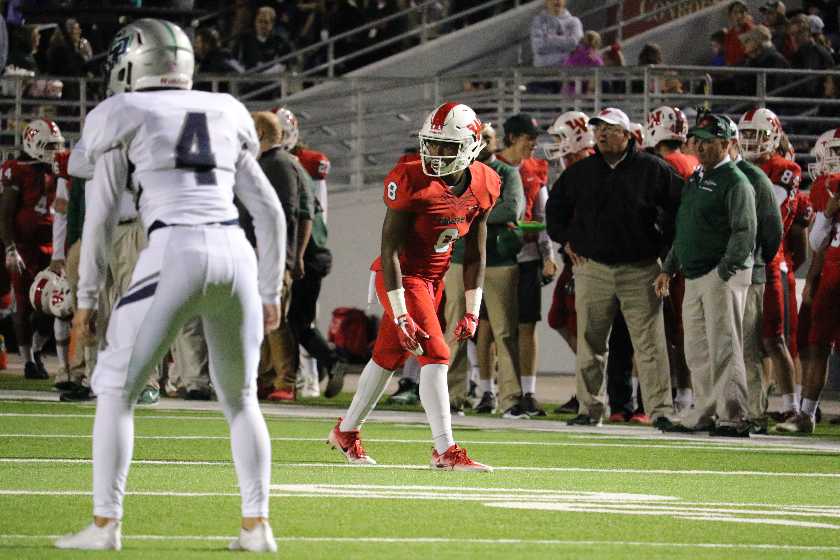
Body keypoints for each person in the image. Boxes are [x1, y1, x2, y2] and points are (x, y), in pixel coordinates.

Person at [53, 19, 285, 552]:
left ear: (134, 62)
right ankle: (257, 527)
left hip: (174, 247)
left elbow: (102, 215)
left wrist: (87, 298)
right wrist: (270, 289)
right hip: (235, 254)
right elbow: (269, 212)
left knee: (115, 389)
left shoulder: (121, 113)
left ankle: (105, 525)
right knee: (242, 398)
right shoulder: (226, 110)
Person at [327, 102, 498, 471]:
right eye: (430, 144)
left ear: (470, 147)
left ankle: (346, 431)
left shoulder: (486, 183)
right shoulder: (409, 179)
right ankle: (445, 449)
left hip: (433, 281)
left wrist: (472, 310)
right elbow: (388, 250)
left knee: (386, 358)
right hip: (401, 277)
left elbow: (475, 254)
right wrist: (402, 313)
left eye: (444, 146)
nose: (434, 154)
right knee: (436, 355)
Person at [547, 107, 682, 428]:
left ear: (627, 134)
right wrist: (565, 241)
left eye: (610, 129)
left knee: (651, 344)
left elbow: (679, 209)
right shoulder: (580, 173)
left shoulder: (653, 169)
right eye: (599, 129)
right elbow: (555, 211)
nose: (603, 134)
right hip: (594, 269)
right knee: (590, 344)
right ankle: (589, 408)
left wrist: (667, 255)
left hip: (641, 268)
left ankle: (660, 409)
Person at [657, 113, 757, 437]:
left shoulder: (736, 181)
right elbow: (684, 229)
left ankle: (733, 415)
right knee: (697, 349)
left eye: (708, 140)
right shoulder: (697, 179)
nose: (700, 146)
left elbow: (745, 231)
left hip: (720, 273)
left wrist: (725, 269)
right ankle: (705, 410)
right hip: (696, 273)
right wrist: (670, 267)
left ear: (727, 144)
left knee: (724, 346)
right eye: (697, 139)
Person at [447, 122, 524, 416]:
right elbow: (446, 209)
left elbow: (512, 209)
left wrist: (468, 211)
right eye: (476, 137)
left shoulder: (507, 172)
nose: (481, 142)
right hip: (459, 259)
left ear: (497, 143)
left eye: (487, 138)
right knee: (455, 329)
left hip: (499, 261)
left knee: (504, 332)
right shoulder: (457, 172)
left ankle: (512, 399)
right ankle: (453, 397)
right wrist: (483, 210)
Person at [719, 114, 783, 434]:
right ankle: (725, 409)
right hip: (711, 273)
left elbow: (772, 231)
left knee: (748, 347)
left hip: (747, 274)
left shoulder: (754, 177)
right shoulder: (708, 176)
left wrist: (755, 261)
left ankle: (755, 412)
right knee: (719, 347)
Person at [738, 108, 802, 422]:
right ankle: (754, 403)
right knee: (745, 341)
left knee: (773, 338)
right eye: (745, 134)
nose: (750, 141)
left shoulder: (784, 168)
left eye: (756, 134)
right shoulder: (736, 167)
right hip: (739, 264)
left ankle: (792, 405)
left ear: (773, 135)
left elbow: (768, 212)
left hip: (768, 262)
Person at [778, 129, 840, 433]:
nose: (830, 161)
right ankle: (806, 413)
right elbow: (816, 241)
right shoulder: (822, 187)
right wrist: (828, 214)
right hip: (831, 267)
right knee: (817, 344)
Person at [496, 114, 556, 418]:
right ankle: (490, 390)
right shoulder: (491, 167)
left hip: (528, 256)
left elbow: (543, 218)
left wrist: (548, 256)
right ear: (511, 138)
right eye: (527, 138)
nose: (533, 143)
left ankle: (528, 392)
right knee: (495, 329)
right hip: (497, 259)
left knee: (526, 326)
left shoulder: (535, 169)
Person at [0, 118, 65, 381]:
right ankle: (27, 359)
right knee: (23, 307)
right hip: (25, 248)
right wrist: (10, 249)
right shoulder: (16, 169)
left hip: (51, 247)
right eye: (50, 146)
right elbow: (4, 215)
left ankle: (37, 350)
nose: (56, 151)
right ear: (34, 144)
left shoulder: (59, 169)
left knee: (57, 305)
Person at [644, 106, 699, 413]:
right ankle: (688, 392)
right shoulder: (691, 161)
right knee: (684, 328)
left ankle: (681, 392)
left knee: (672, 330)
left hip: (670, 255)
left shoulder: (662, 165)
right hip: (690, 253)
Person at [530, 0, 583, 91]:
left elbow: (574, 44)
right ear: (546, 2)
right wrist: (565, 43)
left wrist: (550, 38)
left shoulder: (574, 22)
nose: (556, 1)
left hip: (568, 75)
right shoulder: (538, 21)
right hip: (543, 74)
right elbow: (538, 46)